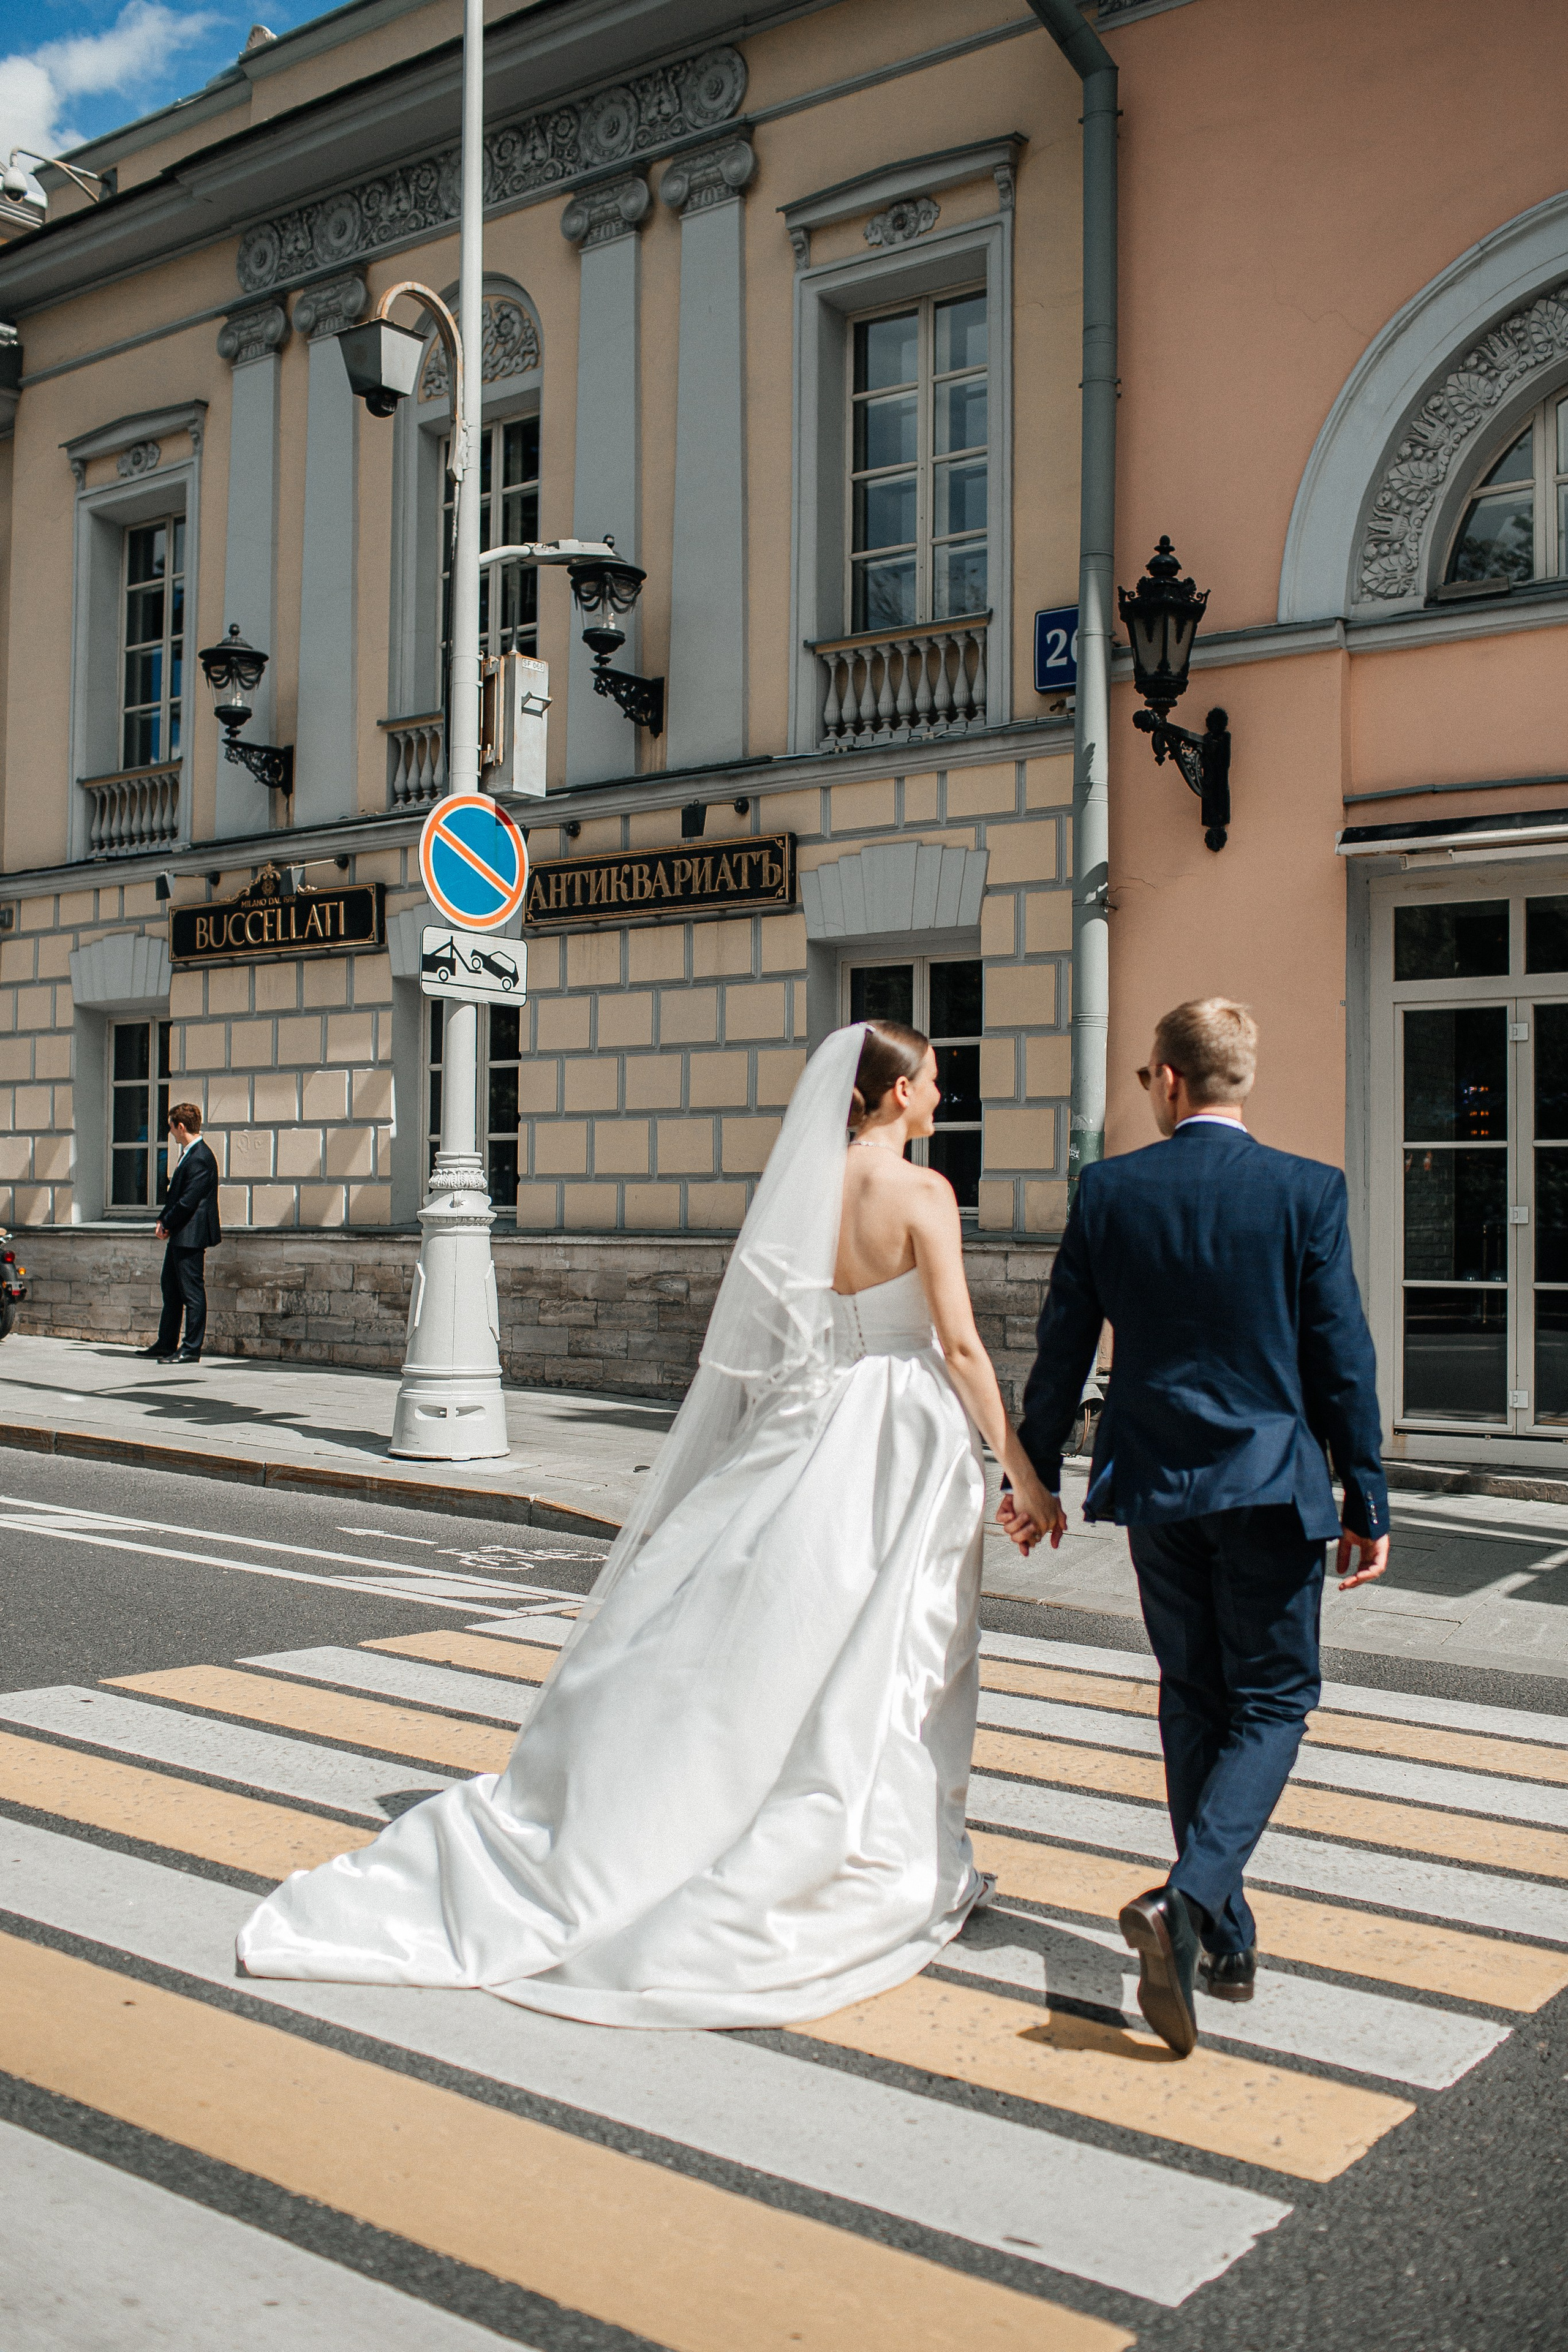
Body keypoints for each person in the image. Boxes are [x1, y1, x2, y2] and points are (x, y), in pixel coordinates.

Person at [236, 1021, 1057, 2026]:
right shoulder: (923, 1194)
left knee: (786, 1636)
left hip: (815, 1421)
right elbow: (963, 1351)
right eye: (932, 1080)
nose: (940, 1094)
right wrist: (1026, 1475)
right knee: (899, 1657)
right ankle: (887, 1858)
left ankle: (708, 1817)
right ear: (892, 1096)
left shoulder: (805, 1188)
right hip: (903, 1437)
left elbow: (780, 1334)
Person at [1001, 997, 1388, 2057]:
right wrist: (1367, 1492)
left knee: (1193, 1697)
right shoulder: (1306, 1190)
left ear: (1169, 1080)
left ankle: (1219, 1940)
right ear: (1235, 1081)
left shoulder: (1113, 1191)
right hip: (1270, 1485)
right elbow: (1339, 1355)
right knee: (1273, 1702)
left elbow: (1063, 1344)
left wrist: (1033, 1471)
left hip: (1159, 1482)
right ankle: (1188, 1904)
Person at [138, 1103, 221, 1365]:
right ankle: (166, 1343)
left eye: (171, 1126)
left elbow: (188, 1201)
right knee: (171, 1288)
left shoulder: (200, 1156)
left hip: (191, 1234)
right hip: (182, 1233)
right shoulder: (190, 1153)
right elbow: (177, 1195)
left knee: (192, 1293)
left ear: (181, 1126)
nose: (170, 1131)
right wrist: (164, 1219)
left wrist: (167, 1223)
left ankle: (191, 1349)